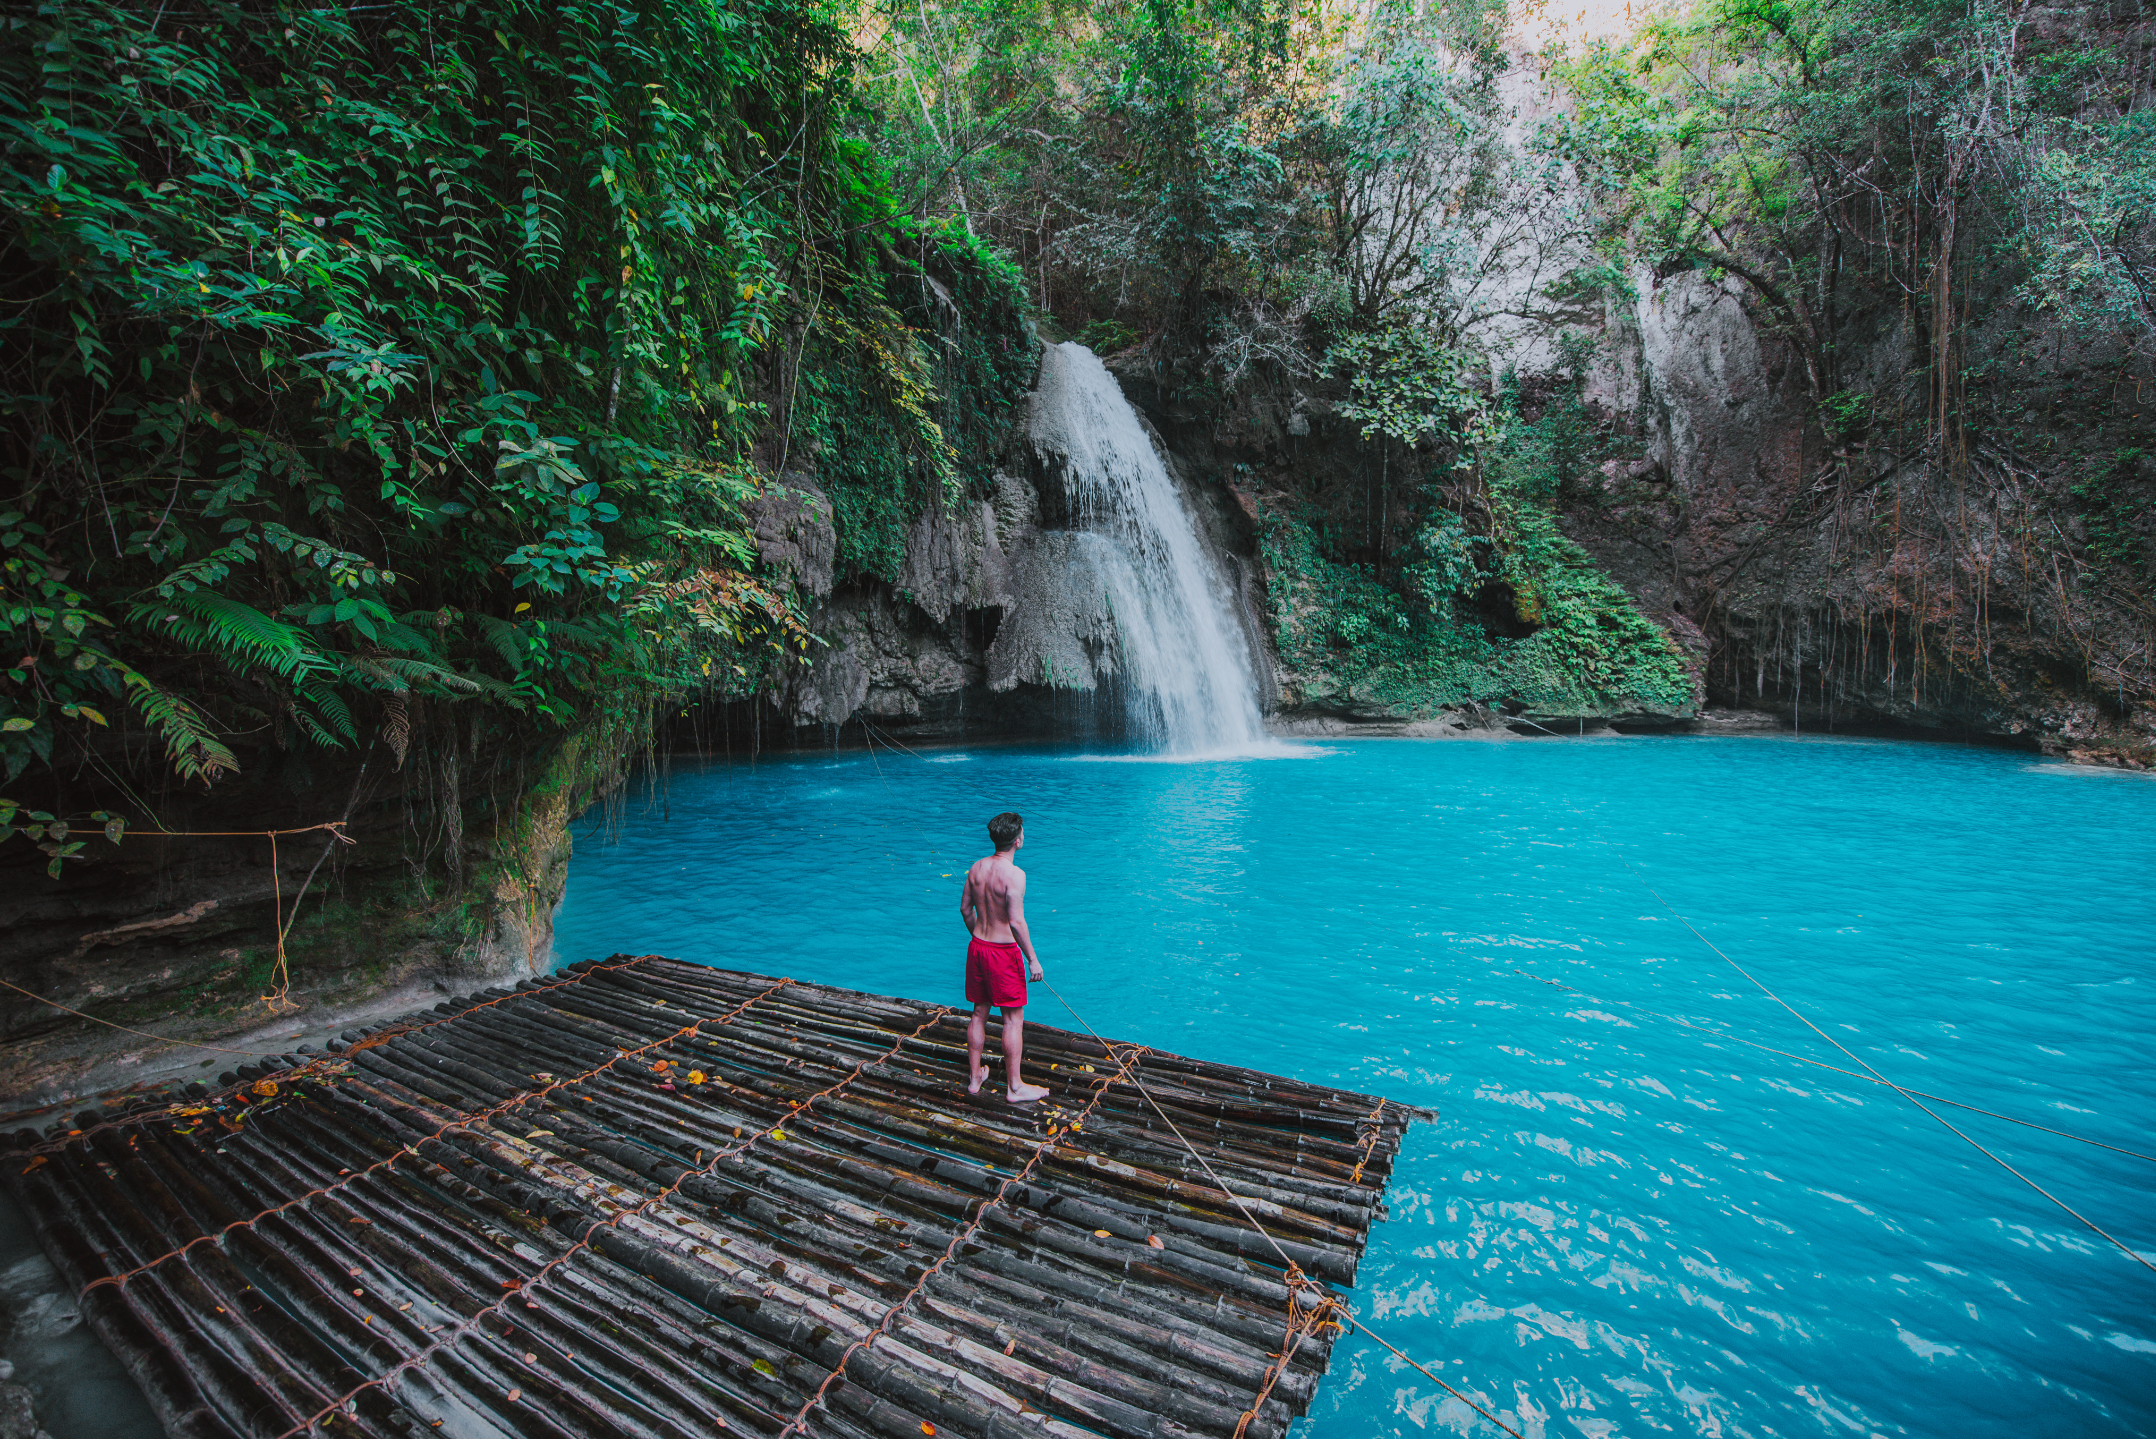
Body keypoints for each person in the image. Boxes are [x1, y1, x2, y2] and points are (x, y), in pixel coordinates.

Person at [960, 810, 1049, 1103]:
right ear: (1018, 841)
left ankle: (975, 1080)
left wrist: (979, 936)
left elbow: (965, 910)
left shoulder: (976, 867)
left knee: (978, 1012)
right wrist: (1032, 959)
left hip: (977, 947)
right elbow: (1016, 922)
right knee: (1012, 1019)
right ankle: (1014, 1087)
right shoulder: (1015, 875)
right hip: (1001, 953)